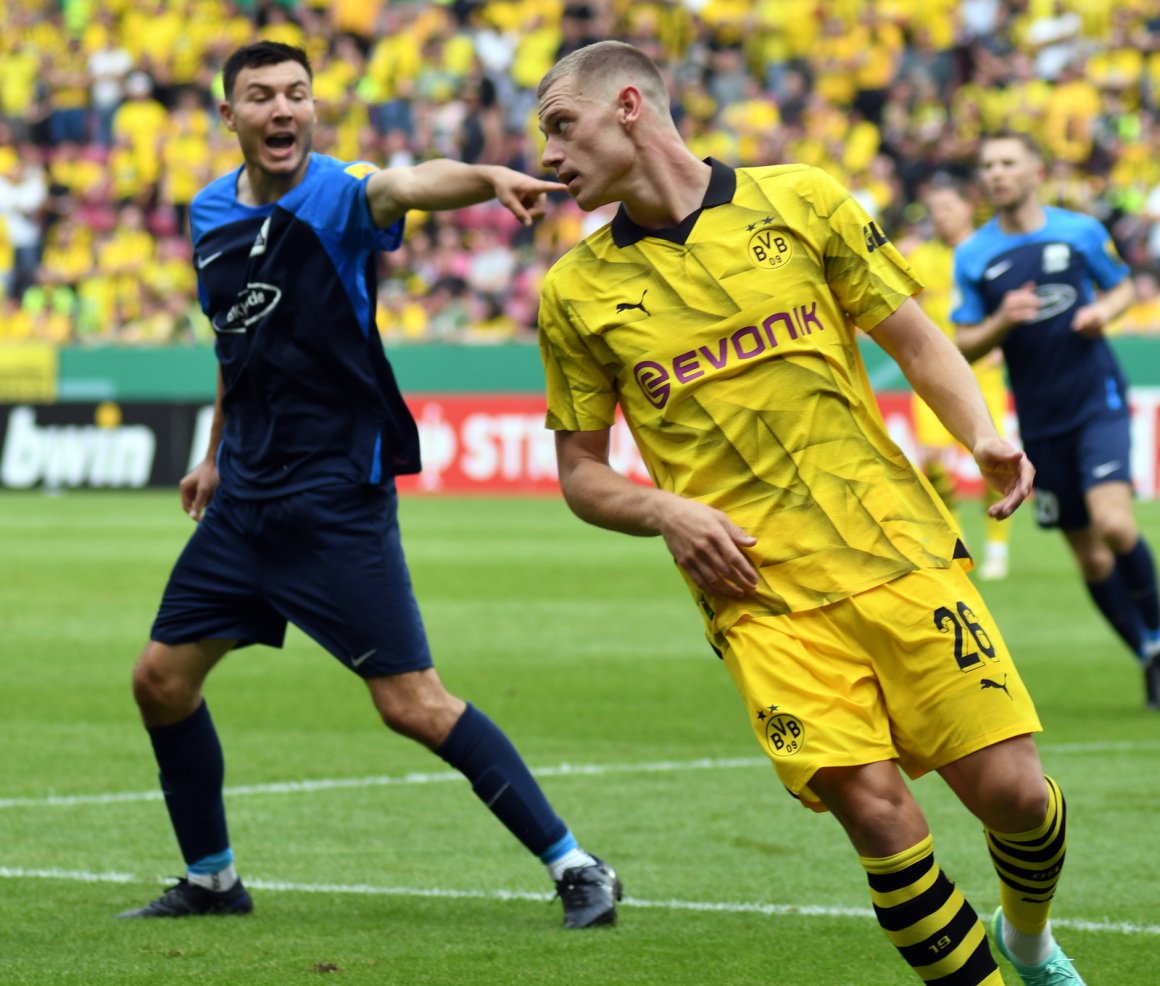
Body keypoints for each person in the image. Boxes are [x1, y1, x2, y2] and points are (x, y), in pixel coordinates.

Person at [535, 41, 1085, 985]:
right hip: (759, 594)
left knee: (1016, 797)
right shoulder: (574, 293)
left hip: (894, 546)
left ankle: (1027, 940)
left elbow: (915, 339)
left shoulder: (802, 197)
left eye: (560, 124)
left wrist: (982, 434)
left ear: (629, 105)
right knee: (878, 814)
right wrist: (666, 511)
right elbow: (582, 472)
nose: (547, 154)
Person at [118, 41, 621, 930]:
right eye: (262, 96)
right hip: (242, 501)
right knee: (160, 681)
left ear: (314, 112)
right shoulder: (206, 214)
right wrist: (212, 449)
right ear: (228, 117)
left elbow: (409, 185)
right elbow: (238, 343)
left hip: (333, 496)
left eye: (298, 95)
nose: (283, 110)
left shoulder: (340, 196)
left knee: (412, 705)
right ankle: (212, 882)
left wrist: (483, 176)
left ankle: (577, 864)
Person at [952, 130, 1160, 711]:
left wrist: (1102, 312)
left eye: (1008, 161)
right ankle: (1148, 651)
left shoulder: (1080, 232)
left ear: (1034, 170)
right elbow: (963, 345)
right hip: (1040, 419)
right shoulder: (974, 255)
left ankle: (1158, 638)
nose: (996, 172)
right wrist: (1003, 320)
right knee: (1090, 557)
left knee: (1114, 524)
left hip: (1097, 399)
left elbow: (1124, 290)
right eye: (988, 163)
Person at [907, 176, 1013, 581]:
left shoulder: (989, 251)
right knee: (932, 462)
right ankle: (956, 538)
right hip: (933, 374)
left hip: (980, 373)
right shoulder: (919, 257)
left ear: (968, 208)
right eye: (934, 211)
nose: (941, 217)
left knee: (996, 461)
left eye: (948, 208)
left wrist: (1003, 339)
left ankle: (998, 547)